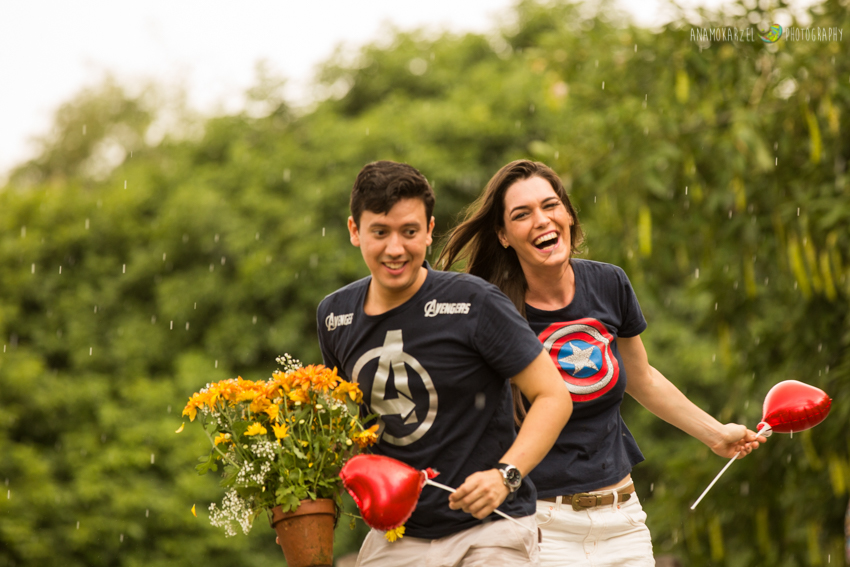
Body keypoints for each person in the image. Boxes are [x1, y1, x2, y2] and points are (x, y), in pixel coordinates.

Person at [438, 159, 766, 566]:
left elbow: (642, 379)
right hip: (539, 524)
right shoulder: (490, 308)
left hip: (623, 518)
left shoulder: (609, 284)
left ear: (569, 216)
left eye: (550, 205)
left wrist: (716, 434)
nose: (541, 220)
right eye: (522, 214)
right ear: (503, 235)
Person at [316, 160, 573, 567]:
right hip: (396, 533)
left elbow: (553, 396)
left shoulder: (475, 302)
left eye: (409, 232)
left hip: (491, 527)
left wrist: (505, 475)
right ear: (354, 230)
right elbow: (338, 426)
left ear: (429, 230)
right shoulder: (334, 316)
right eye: (380, 232)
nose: (395, 249)